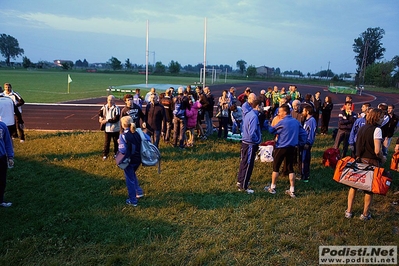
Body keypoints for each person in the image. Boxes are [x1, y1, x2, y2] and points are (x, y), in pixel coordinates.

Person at [345, 108, 386, 221]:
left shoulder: (362, 127)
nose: (383, 119)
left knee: (353, 186)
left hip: (359, 160)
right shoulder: (377, 130)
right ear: (376, 118)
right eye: (381, 117)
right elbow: (377, 150)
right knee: (368, 189)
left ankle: (348, 211)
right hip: (371, 162)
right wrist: (382, 158)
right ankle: (365, 214)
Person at [265, 104, 307, 198]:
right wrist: (301, 143)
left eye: (279, 112)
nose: (278, 114)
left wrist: (267, 123)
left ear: (285, 112)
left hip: (281, 147)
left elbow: (272, 130)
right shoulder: (296, 122)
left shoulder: (283, 122)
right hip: (292, 148)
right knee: (290, 168)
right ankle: (292, 189)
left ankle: (273, 187)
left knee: (276, 167)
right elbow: (303, 133)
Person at [236, 99, 262, 194]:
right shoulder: (254, 117)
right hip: (250, 143)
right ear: (258, 106)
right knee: (248, 164)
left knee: (243, 162)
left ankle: (240, 181)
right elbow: (252, 133)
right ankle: (244, 186)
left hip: (244, 142)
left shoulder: (248, 114)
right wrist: (257, 140)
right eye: (262, 106)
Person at [118, 116, 144, 207]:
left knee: (130, 179)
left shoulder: (123, 135)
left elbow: (123, 150)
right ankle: (139, 191)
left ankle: (133, 200)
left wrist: (119, 144)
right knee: (132, 174)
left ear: (123, 124)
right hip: (138, 158)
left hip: (129, 160)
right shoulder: (137, 132)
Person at [99, 95, 120, 160]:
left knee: (116, 142)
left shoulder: (117, 108)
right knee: (106, 142)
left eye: (111, 100)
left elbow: (116, 119)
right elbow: (100, 113)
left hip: (115, 128)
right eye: (109, 100)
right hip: (107, 129)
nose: (110, 101)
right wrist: (100, 119)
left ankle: (116, 153)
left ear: (114, 101)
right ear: (107, 100)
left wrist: (107, 120)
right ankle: (105, 154)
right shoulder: (104, 107)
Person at [300, 105, 316, 182]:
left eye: (304, 111)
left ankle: (305, 176)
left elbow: (311, 133)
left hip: (307, 144)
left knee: (305, 159)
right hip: (303, 143)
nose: (302, 112)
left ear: (308, 112)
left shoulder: (312, 121)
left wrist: (308, 143)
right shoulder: (306, 120)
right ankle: (302, 174)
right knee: (303, 159)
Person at [0, 120, 14, 207]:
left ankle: (0, 200)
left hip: (1, 157)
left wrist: (10, 157)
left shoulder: (2, 126)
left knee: (1, 180)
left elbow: (7, 142)